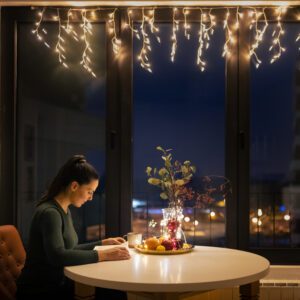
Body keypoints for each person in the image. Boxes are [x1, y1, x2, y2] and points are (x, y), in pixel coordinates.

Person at [16, 155, 130, 300]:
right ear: (74, 186)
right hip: (41, 290)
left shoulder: (64, 209)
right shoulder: (50, 213)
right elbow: (58, 255)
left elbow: (68, 249)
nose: (90, 198)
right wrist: (104, 255)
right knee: (115, 294)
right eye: (90, 192)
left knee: (116, 291)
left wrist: (102, 243)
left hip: (59, 283)